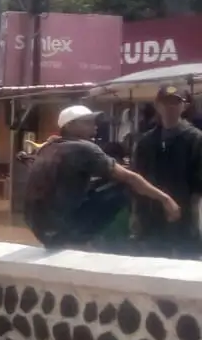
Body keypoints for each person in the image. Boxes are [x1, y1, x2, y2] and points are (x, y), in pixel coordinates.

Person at [23, 105, 178, 251]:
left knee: (104, 183)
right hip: (62, 230)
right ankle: (143, 235)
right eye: (88, 123)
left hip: (40, 228)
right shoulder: (85, 148)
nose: (95, 126)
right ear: (70, 127)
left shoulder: (49, 146)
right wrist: (165, 199)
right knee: (127, 185)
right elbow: (130, 178)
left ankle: (82, 238)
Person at [133, 84, 202, 258]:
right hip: (151, 212)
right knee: (152, 263)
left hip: (184, 212)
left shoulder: (195, 138)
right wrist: (136, 213)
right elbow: (137, 178)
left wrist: (194, 213)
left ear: (184, 106)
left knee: (186, 264)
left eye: (175, 102)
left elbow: (199, 180)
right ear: (157, 105)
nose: (170, 107)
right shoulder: (145, 141)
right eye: (165, 102)